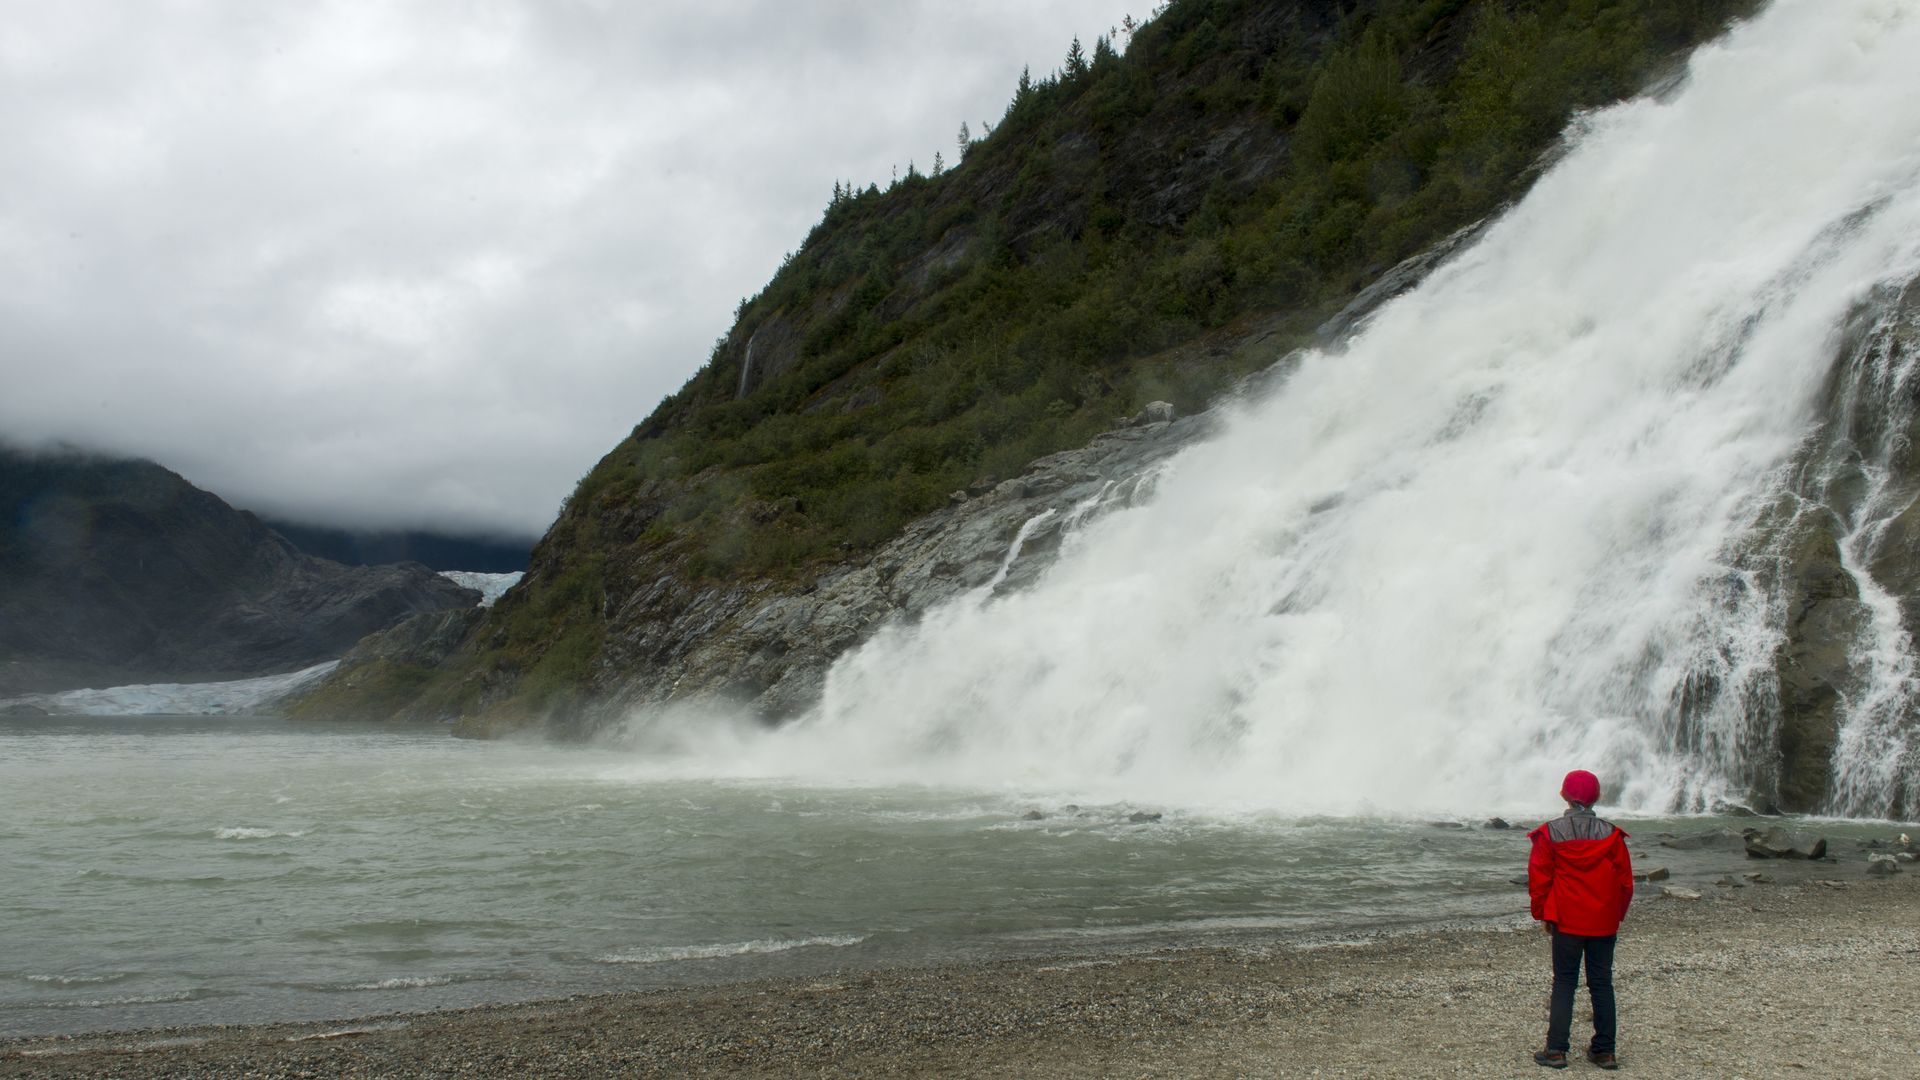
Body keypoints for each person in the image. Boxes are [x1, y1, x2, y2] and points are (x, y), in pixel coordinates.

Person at [1527, 769, 1633, 1070]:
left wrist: (1542, 914)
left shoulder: (1549, 833)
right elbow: (1626, 883)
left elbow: (1539, 880)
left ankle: (1557, 1051)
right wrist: (1617, 916)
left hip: (1566, 919)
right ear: (1597, 797)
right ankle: (1605, 1051)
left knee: (1564, 982)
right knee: (1601, 983)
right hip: (1603, 920)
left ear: (1564, 795)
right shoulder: (1612, 835)